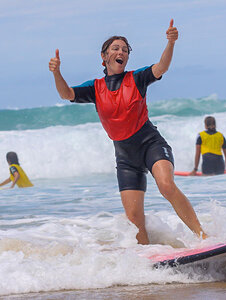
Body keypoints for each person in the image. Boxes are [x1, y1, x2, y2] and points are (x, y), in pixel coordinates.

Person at [49, 19, 207, 244]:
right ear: (104, 57)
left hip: (151, 144)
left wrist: (171, 43)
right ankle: (147, 258)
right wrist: (57, 73)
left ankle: (203, 236)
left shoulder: (137, 78)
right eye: (115, 48)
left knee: (166, 186)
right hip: (125, 157)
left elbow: (161, 67)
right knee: (134, 218)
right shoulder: (95, 88)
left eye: (125, 49)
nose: (121, 51)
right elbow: (67, 94)